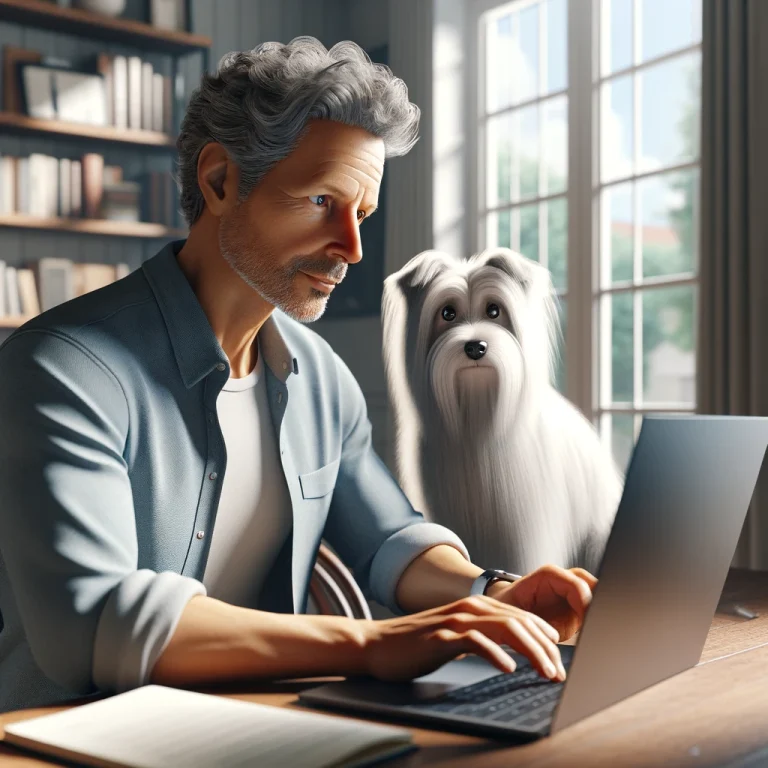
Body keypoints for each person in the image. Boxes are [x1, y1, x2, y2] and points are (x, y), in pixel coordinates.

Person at [0, 37, 597, 714]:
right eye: (321, 201)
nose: (353, 247)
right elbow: (92, 626)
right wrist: (372, 644)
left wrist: (488, 592)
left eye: (362, 213)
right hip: (61, 740)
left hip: (248, 731)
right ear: (220, 181)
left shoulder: (318, 376)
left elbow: (389, 543)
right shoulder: (64, 370)